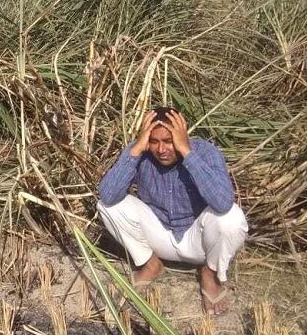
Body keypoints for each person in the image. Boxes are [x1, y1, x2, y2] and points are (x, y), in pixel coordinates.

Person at [96, 107, 247, 315]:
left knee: (232, 218)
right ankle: (150, 264)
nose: (161, 149)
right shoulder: (141, 151)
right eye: (154, 141)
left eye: (168, 140)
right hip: (159, 236)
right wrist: (138, 148)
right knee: (106, 206)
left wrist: (186, 152)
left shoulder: (204, 151)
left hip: (198, 241)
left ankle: (209, 275)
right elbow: (107, 195)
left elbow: (223, 203)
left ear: (182, 135)